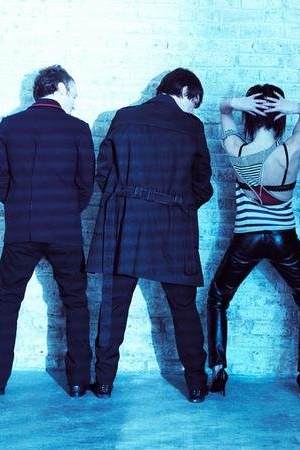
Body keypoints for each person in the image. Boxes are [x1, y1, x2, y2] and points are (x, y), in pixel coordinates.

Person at [86, 68, 213, 403]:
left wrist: (127, 200)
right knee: (184, 308)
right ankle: (196, 385)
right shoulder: (191, 127)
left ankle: (103, 382)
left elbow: (103, 172)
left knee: (113, 306)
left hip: (125, 222)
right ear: (185, 91)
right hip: (173, 227)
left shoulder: (124, 117)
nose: (193, 110)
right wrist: (178, 203)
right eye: (194, 102)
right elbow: (203, 184)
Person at [0, 65, 94, 397]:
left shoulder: (9, 126)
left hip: (21, 228)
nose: (75, 101)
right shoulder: (78, 129)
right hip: (65, 229)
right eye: (73, 94)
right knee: (75, 302)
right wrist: (65, 210)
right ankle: (78, 381)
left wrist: (19, 206)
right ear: (59, 88)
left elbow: (0, 178)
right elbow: (86, 184)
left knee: (7, 301)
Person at [207, 84, 300, 398]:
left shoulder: (237, 149)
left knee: (218, 297)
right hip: (283, 237)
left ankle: (218, 368)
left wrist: (234, 103)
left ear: (249, 116)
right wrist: (295, 108)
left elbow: (223, 111)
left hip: (247, 237)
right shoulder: (291, 149)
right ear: (280, 118)